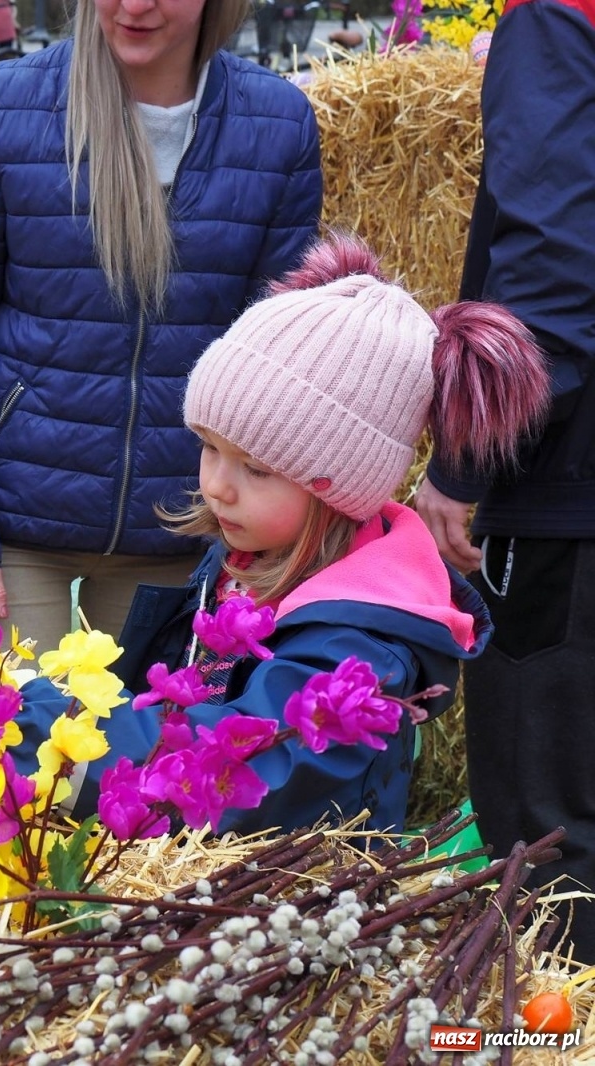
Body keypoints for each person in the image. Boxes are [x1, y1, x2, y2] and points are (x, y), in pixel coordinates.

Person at [0, 236, 550, 838]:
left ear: (337, 487)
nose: (218, 486)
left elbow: (228, 764)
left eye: (255, 468)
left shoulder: (359, 645)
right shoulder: (248, 562)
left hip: (291, 908)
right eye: (209, 448)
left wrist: (23, 719)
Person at [0, 0, 322, 651]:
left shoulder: (276, 125)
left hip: (180, 527)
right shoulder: (0, 110)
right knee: (9, 743)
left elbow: (276, 355)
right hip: (12, 528)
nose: (134, 5)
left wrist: (266, 528)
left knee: (140, 753)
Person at [413, 0, 595, 961]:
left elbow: (552, 287)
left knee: (551, 854)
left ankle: (551, 1044)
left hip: (570, 504)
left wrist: (462, 460)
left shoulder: (561, 18)